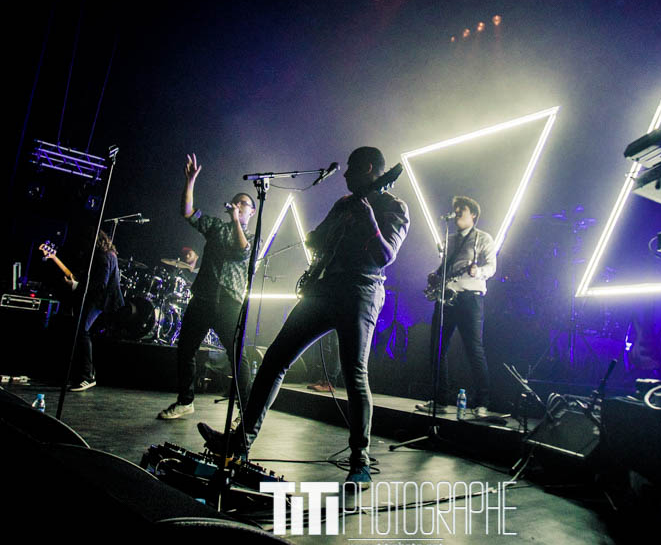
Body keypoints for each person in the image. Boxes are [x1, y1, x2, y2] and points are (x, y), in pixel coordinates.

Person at [198, 147, 408, 486]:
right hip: (324, 290)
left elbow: (385, 256)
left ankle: (361, 462)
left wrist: (367, 216)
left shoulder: (393, 207)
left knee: (355, 375)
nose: (345, 175)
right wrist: (325, 234)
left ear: (368, 168)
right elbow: (317, 239)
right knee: (275, 358)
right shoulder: (344, 203)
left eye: (351, 168)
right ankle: (240, 444)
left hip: (361, 292)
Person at [157, 154, 256, 419]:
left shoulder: (250, 236)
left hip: (229, 302)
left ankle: (246, 411)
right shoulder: (215, 226)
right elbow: (188, 212)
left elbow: (241, 251)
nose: (238, 205)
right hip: (202, 298)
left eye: (244, 204)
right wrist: (190, 181)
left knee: (237, 356)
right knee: (186, 349)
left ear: (251, 212)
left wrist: (236, 220)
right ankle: (185, 401)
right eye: (237, 202)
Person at [416, 196, 497, 418]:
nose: (457, 212)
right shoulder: (449, 239)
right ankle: (440, 399)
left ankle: (482, 402)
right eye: (456, 210)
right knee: (437, 348)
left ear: (474, 215)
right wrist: (435, 274)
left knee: (474, 350)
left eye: (462, 210)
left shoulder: (483, 238)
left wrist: (478, 271)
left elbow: (492, 266)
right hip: (447, 298)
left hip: (470, 298)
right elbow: (446, 265)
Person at [41, 230, 124, 392]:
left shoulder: (103, 256)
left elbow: (100, 284)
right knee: (79, 331)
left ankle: (87, 376)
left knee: (81, 332)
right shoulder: (108, 254)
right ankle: (81, 374)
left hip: (101, 299)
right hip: (99, 298)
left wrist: (76, 286)